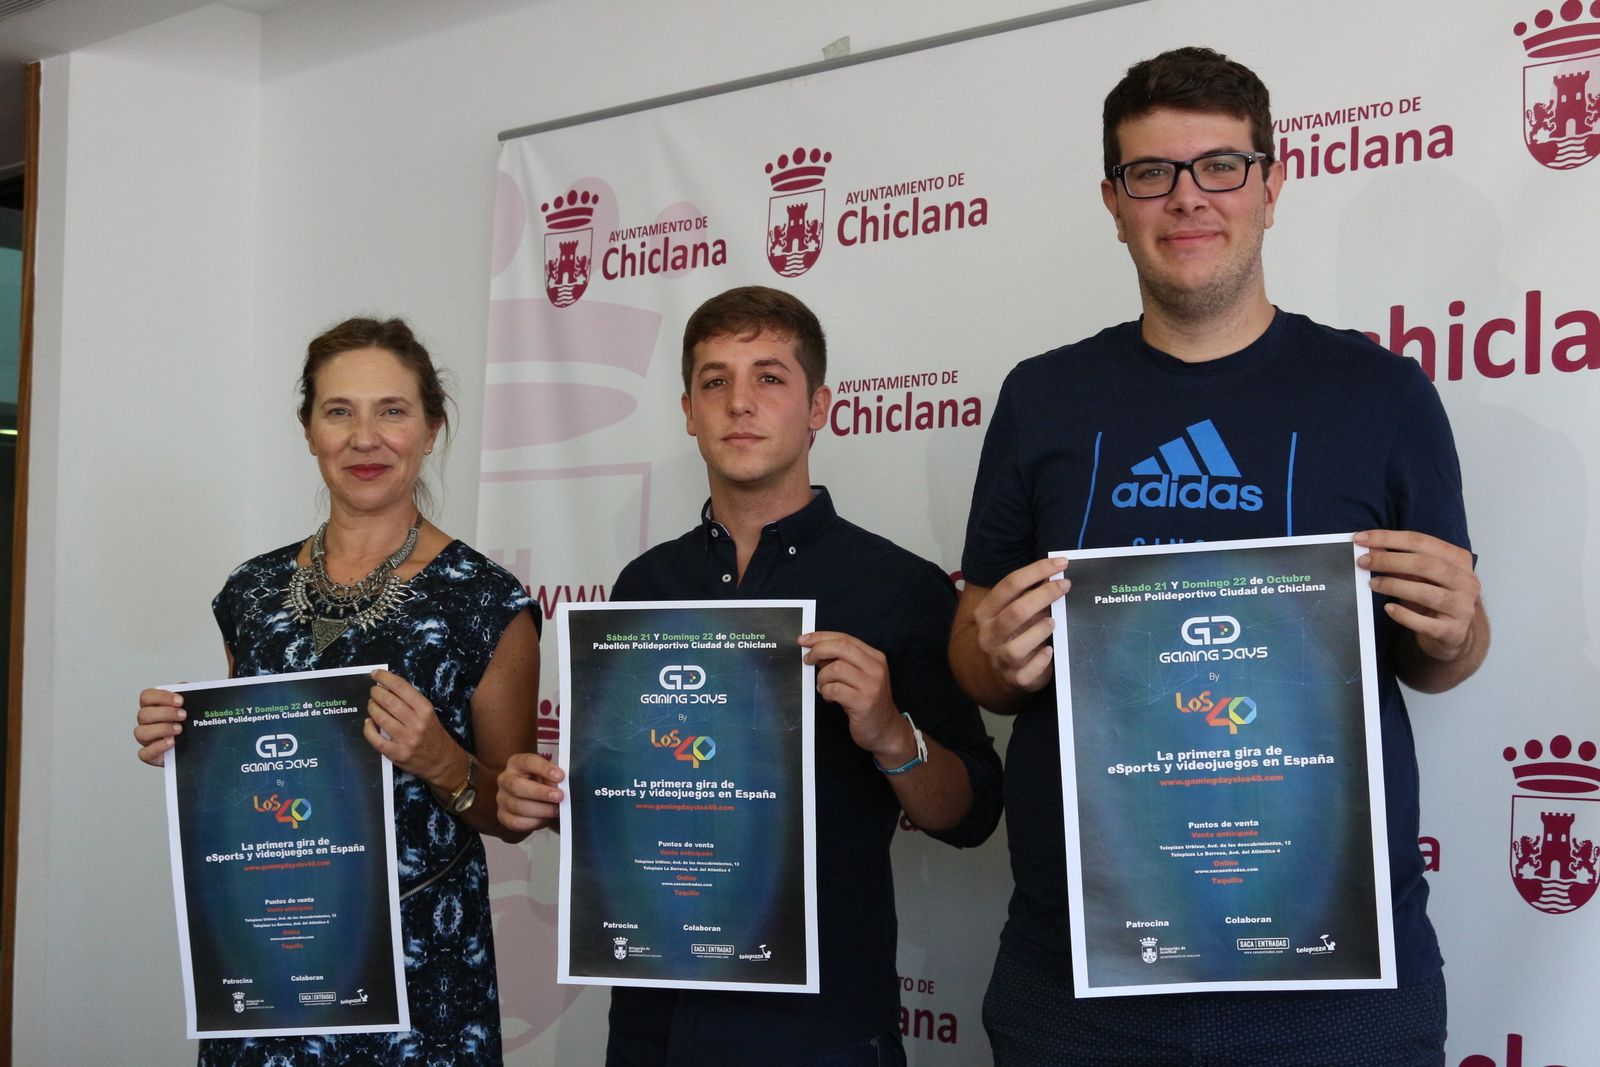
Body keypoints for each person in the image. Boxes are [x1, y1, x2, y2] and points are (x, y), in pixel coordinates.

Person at [950, 47, 1489, 1067]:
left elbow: (1442, 651)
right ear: (1112, 200)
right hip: (1082, 975)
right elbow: (976, 658)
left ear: (1272, 183)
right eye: (1150, 172)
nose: (1186, 197)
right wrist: (994, 653)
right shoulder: (1043, 398)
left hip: (1332, 977)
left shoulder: (1380, 393)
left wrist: (1458, 627)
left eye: (1219, 166)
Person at [498, 285, 1003, 1067]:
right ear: (688, 411)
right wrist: (556, 796)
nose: (740, 402)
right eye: (714, 381)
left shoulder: (897, 585)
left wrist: (889, 732)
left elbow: (969, 816)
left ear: (819, 407)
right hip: (654, 1017)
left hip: (823, 1028)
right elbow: (634, 805)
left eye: (769, 377)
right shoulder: (644, 585)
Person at [134, 317, 542, 1065]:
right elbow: (249, 777)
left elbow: (512, 813)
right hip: (270, 961)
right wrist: (185, 746)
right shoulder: (250, 593)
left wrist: (441, 760)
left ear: (431, 429)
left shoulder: (486, 601)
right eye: (338, 411)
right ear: (308, 430)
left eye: (392, 411)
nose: (365, 438)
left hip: (422, 974)